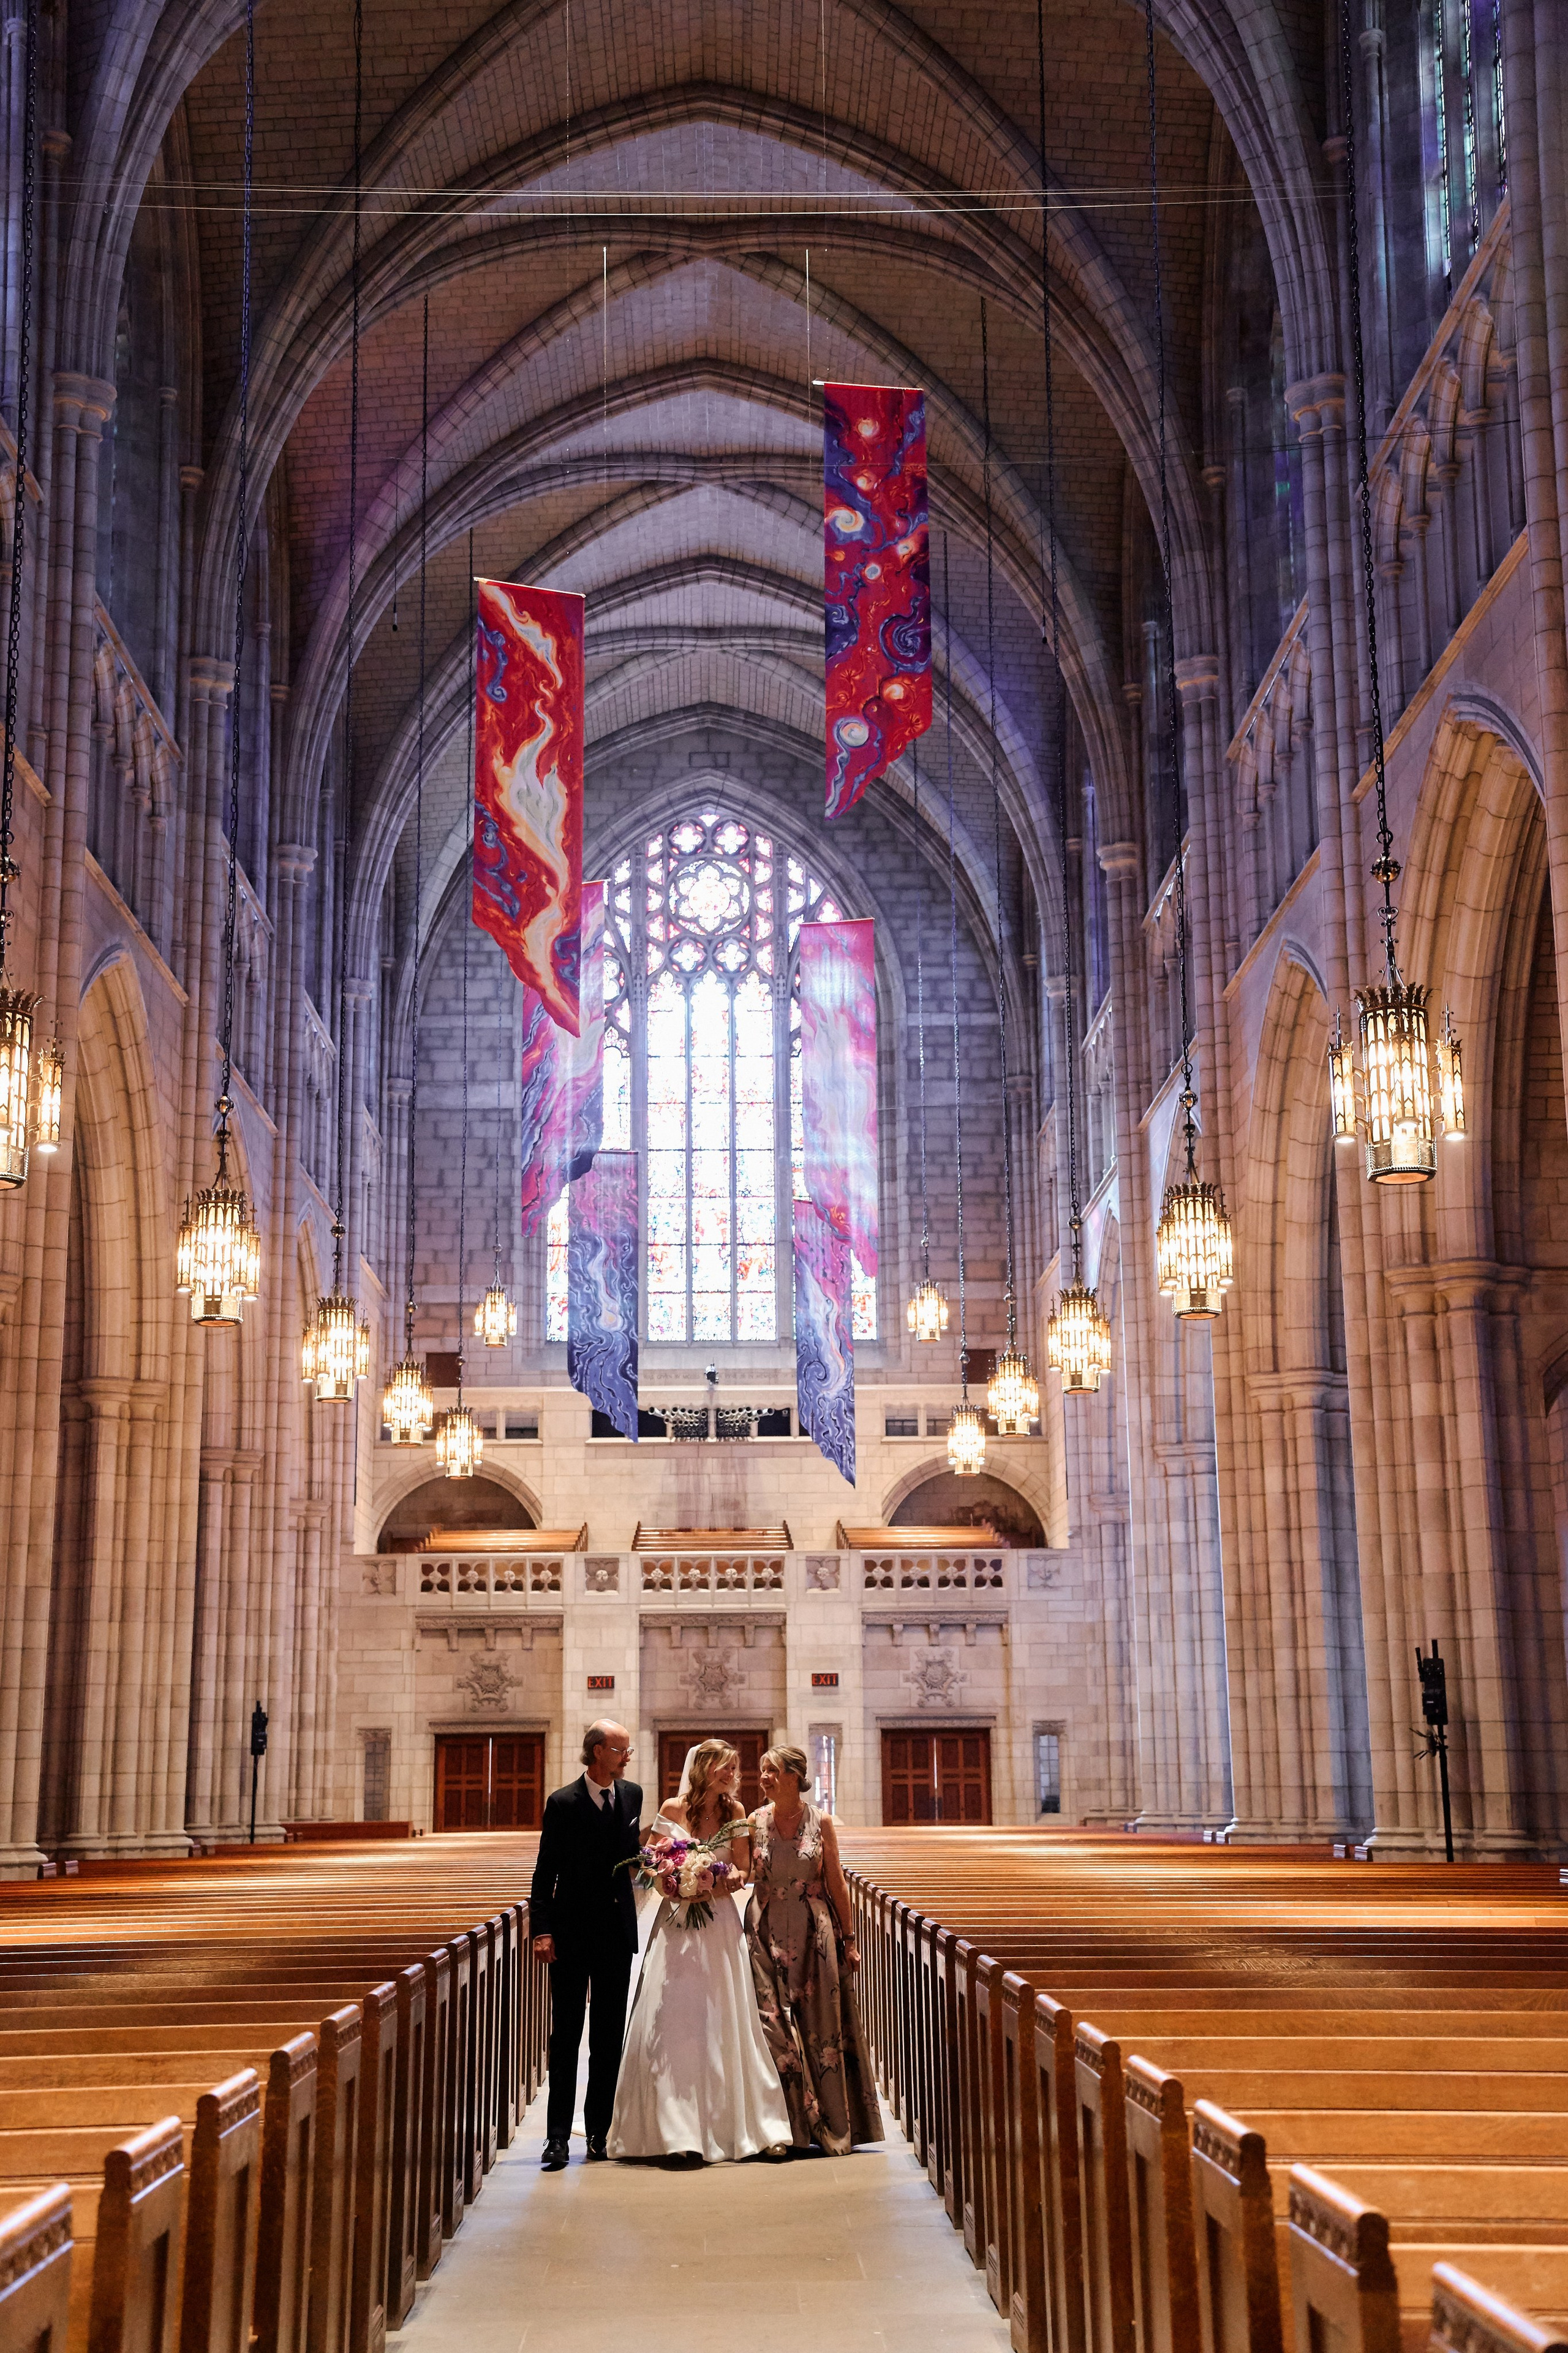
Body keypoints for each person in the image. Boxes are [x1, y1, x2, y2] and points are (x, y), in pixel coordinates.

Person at [609, 1737, 793, 2165]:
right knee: (676, 2018)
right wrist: (674, 1882)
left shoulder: (736, 1813)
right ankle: (676, 2130)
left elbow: (745, 1869)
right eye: (726, 1767)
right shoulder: (673, 1809)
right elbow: (649, 1866)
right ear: (704, 1768)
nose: (733, 1774)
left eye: (734, 1767)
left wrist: (727, 1879)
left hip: (719, 1924)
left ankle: (742, 2124)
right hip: (677, 1925)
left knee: (722, 2017)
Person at [745, 1743, 882, 2155]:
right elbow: (739, 1869)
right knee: (772, 2025)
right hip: (764, 1927)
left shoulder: (820, 1821)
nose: (764, 1777)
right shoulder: (753, 1820)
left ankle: (830, 2124)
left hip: (812, 1930)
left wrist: (849, 1938)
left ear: (794, 1775)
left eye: (771, 1770)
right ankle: (782, 2130)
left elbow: (837, 1881)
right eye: (762, 1770)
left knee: (820, 2024)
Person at [529, 1720, 643, 2170]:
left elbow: (631, 1854)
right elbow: (545, 1872)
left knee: (608, 2036)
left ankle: (599, 2131)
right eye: (621, 1749)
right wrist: (542, 1929)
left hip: (615, 1932)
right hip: (572, 1932)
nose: (627, 1756)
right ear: (597, 1751)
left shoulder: (630, 1795)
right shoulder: (562, 1802)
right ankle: (558, 2136)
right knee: (568, 2034)